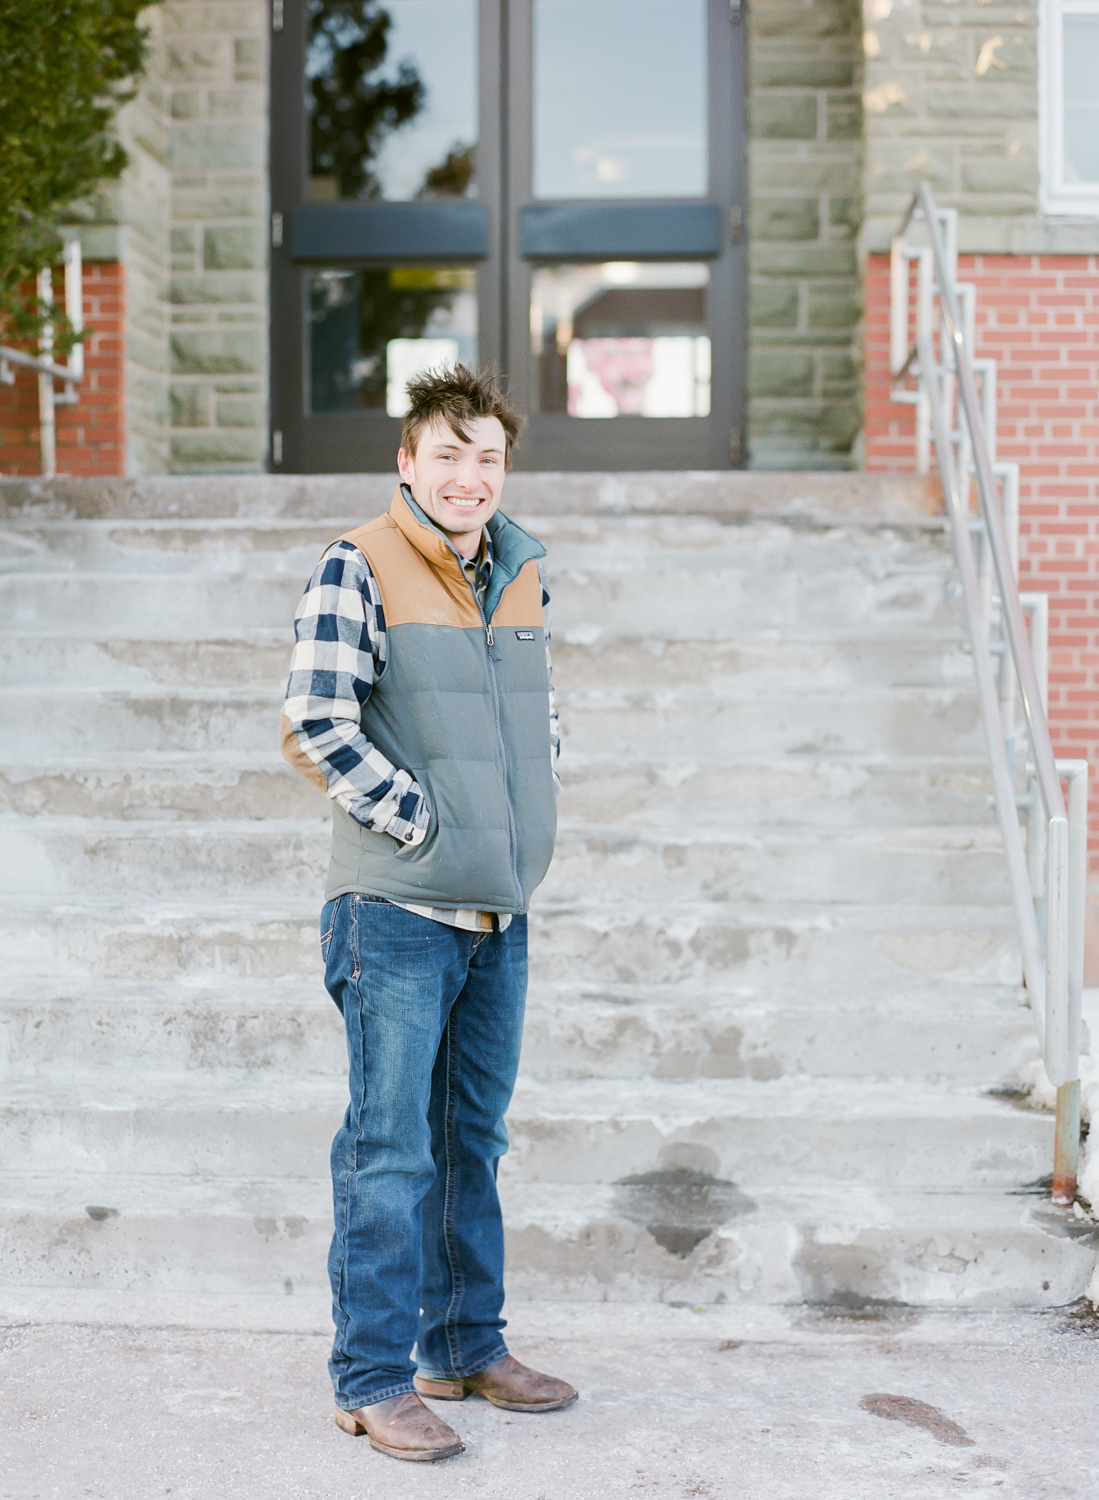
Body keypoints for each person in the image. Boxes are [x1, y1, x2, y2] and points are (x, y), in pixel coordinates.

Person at [280, 365, 576, 1463]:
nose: (469, 475)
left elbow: (537, 720)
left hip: (497, 912)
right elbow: (316, 719)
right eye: (447, 455)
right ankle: (369, 1377)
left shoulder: (522, 572)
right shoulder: (358, 563)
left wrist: (523, 815)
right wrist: (424, 823)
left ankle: (465, 1345)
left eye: (487, 456)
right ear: (408, 463)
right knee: (389, 1149)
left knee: (471, 1141)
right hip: (396, 908)